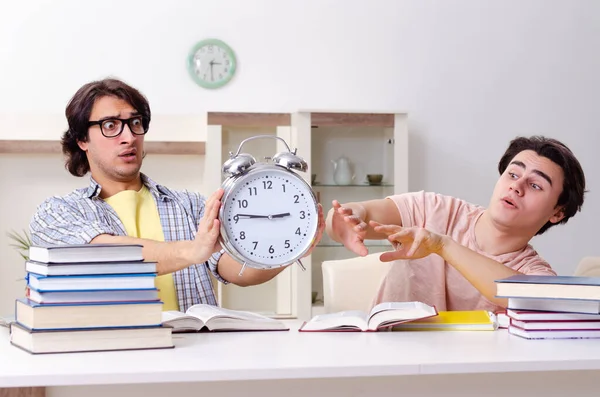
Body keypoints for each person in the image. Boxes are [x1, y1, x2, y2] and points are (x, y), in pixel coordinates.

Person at [30, 78, 324, 312]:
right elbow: (107, 255)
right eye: (110, 125)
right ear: (82, 139)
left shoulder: (191, 205)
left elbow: (237, 270)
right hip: (113, 356)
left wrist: (293, 248)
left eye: (135, 123)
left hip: (195, 355)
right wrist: (193, 250)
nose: (129, 136)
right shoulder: (58, 213)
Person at [326, 136, 586, 312]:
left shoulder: (535, 274)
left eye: (535, 185)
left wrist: (443, 245)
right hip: (388, 363)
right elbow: (356, 214)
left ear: (557, 213)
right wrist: (348, 219)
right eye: (513, 174)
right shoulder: (436, 209)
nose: (516, 186)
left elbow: (525, 296)